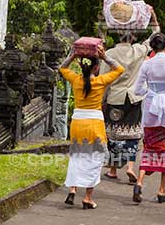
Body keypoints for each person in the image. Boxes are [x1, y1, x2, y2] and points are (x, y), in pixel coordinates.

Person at [59, 45, 124, 209]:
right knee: (95, 160)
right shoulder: (100, 81)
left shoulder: (76, 80)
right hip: (94, 124)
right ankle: (87, 197)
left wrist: (72, 57)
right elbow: (119, 69)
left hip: (78, 123)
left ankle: (73, 188)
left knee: (76, 156)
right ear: (96, 67)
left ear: (82, 66)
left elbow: (62, 67)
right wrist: (105, 58)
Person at [132, 33, 165, 204]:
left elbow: (138, 90)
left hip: (151, 113)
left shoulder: (146, 65)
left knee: (149, 149)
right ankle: (161, 191)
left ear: (152, 47)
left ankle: (139, 182)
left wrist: (151, 93)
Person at [100, 31, 154, 184]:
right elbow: (154, 37)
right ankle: (130, 166)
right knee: (133, 132)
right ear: (134, 38)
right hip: (134, 97)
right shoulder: (139, 50)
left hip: (115, 97)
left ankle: (113, 170)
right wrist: (154, 18)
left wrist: (101, 99)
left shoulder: (109, 54)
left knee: (114, 133)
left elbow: (104, 80)